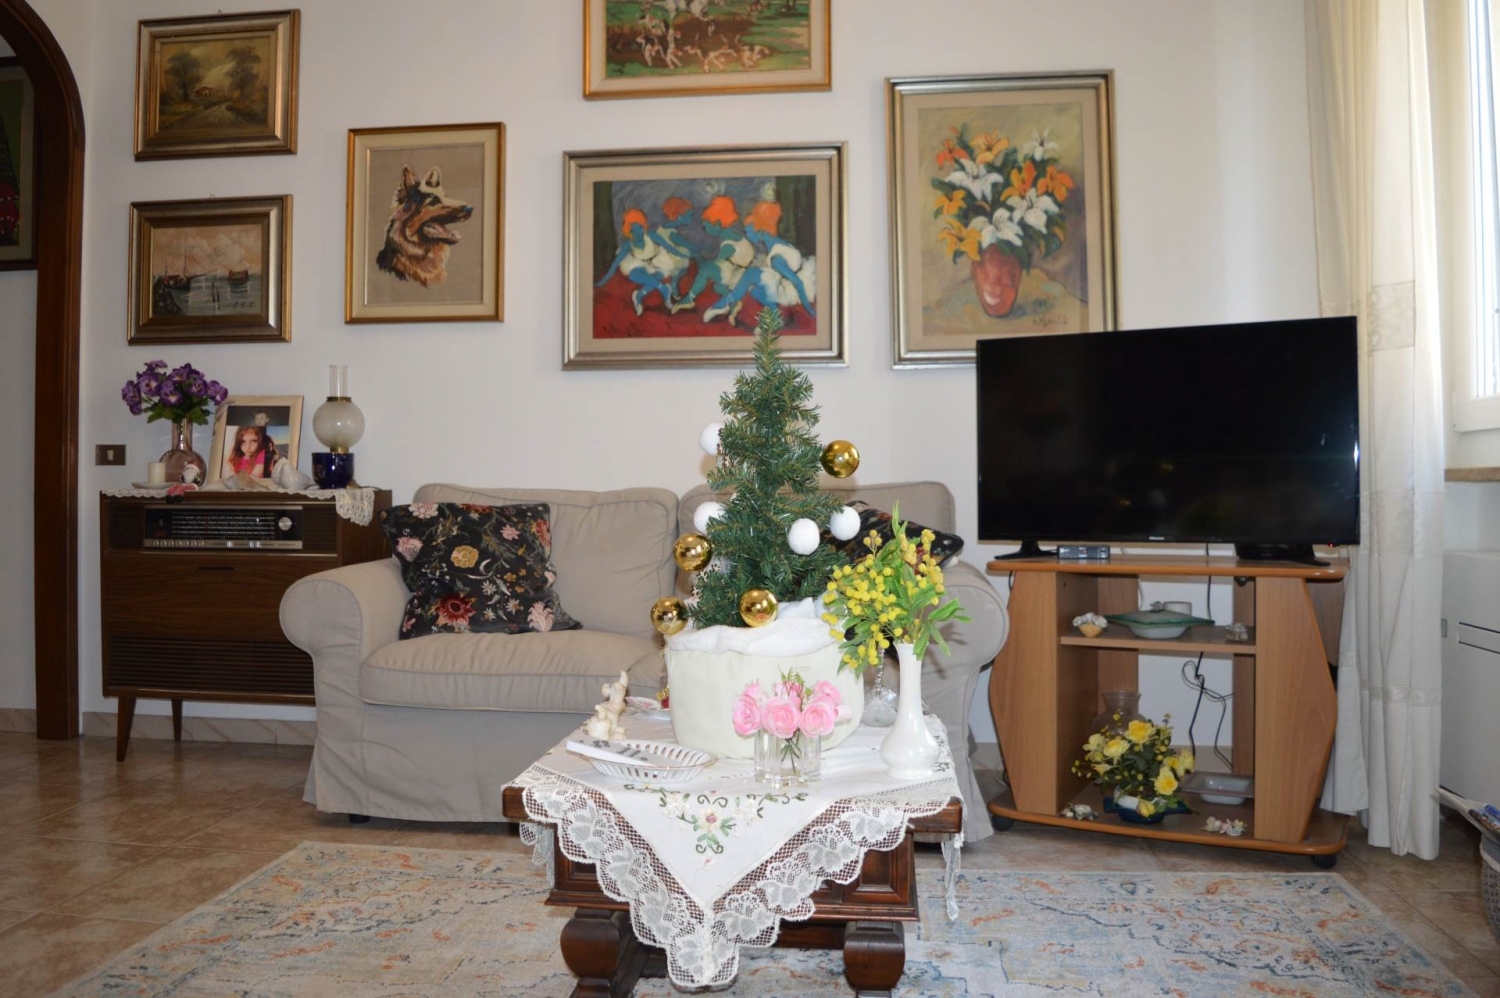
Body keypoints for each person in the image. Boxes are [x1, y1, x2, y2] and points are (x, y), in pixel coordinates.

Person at [704, 199, 817, 327]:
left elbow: (797, 282)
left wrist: (809, 309)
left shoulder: (776, 258)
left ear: (760, 231)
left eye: (748, 231)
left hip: (789, 289)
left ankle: (724, 303)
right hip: (783, 281)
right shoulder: (776, 243)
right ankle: (773, 315)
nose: (746, 235)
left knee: (751, 274)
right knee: (753, 289)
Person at [595, 206, 692, 315]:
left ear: (644, 227)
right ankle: (663, 289)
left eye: (640, 228)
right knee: (633, 275)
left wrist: (681, 254)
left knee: (657, 276)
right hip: (640, 264)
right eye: (634, 230)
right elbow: (615, 264)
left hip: (656, 262)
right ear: (628, 230)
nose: (638, 233)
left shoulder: (651, 236)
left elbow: (669, 247)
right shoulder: (628, 244)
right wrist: (602, 281)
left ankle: (639, 295)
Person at [671, 194, 754, 314]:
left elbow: (716, 262)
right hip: (736, 269)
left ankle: (689, 299)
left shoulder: (728, 242)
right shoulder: (730, 233)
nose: (705, 229)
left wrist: (702, 260)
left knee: (706, 268)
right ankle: (733, 303)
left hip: (739, 274)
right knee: (717, 286)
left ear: (718, 222)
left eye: (706, 225)